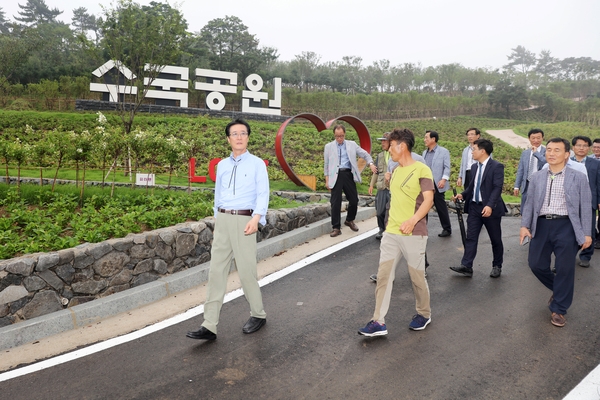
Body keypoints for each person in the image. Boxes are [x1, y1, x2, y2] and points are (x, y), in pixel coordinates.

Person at [186, 118, 269, 341]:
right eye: (235, 134)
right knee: (216, 272)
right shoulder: (221, 165)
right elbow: (218, 195)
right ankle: (209, 324)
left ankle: (258, 314)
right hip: (223, 220)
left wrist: (257, 218)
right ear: (228, 139)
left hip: (245, 221)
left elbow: (263, 193)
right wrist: (217, 221)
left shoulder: (257, 164)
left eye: (243, 133)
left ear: (248, 137)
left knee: (246, 271)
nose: (239, 137)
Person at [358, 128, 435, 336]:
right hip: (392, 233)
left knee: (416, 278)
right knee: (384, 276)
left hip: (414, 232)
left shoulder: (422, 170)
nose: (389, 149)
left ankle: (424, 313)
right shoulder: (396, 170)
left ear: (402, 146)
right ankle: (378, 321)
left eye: (391, 145)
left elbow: (429, 200)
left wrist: (413, 220)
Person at [520, 138, 592, 327]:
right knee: (535, 264)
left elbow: (585, 206)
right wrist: (524, 225)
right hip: (541, 225)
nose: (551, 153)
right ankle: (560, 290)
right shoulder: (537, 177)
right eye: (549, 149)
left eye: (557, 150)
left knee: (565, 269)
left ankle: (558, 309)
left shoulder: (578, 177)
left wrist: (586, 233)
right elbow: (529, 203)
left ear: (567, 154)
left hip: (567, 226)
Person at [450, 139, 507, 278]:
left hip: (490, 209)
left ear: (483, 151)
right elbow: (472, 187)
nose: (472, 152)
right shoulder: (475, 167)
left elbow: (497, 188)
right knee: (471, 237)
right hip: (475, 207)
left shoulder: (496, 166)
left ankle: (497, 265)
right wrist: (462, 195)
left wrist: (489, 205)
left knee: (495, 239)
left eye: (474, 149)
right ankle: (467, 265)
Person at [324, 124, 377, 237]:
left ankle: (349, 220)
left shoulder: (351, 145)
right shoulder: (328, 147)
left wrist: (371, 163)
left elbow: (364, 154)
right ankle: (336, 227)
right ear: (334, 135)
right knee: (335, 203)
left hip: (348, 174)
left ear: (344, 134)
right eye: (337, 136)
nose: (339, 138)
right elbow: (326, 164)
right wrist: (327, 179)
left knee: (354, 200)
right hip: (335, 176)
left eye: (341, 136)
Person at [570, 136, 600, 268]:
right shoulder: (567, 162)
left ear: (589, 148)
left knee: (589, 230)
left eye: (585, 146)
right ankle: (567, 256)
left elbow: (599, 183)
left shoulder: (596, 163)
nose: (581, 148)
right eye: (579, 145)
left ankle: (586, 256)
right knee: (569, 230)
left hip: (589, 201)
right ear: (573, 148)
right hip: (570, 202)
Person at [422, 130, 452, 237]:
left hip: (438, 183)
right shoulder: (424, 153)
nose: (424, 140)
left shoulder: (443, 151)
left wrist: (444, 180)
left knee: (441, 207)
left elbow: (447, 167)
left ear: (433, 139)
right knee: (424, 206)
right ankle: (423, 229)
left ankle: (447, 229)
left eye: (426, 138)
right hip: (426, 183)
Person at [514, 128, 546, 208]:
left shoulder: (546, 151)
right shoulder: (525, 153)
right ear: (529, 139)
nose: (536, 140)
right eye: (533, 138)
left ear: (542, 138)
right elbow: (521, 170)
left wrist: (536, 153)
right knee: (525, 207)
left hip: (540, 182)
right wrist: (517, 186)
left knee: (538, 206)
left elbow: (545, 163)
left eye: (538, 138)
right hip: (527, 183)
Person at [369, 132, 391, 240]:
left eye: (384, 141)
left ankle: (389, 231)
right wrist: (371, 185)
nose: (382, 143)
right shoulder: (380, 156)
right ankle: (381, 229)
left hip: (392, 188)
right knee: (380, 211)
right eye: (381, 141)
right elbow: (376, 172)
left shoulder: (396, 155)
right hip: (382, 187)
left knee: (392, 212)